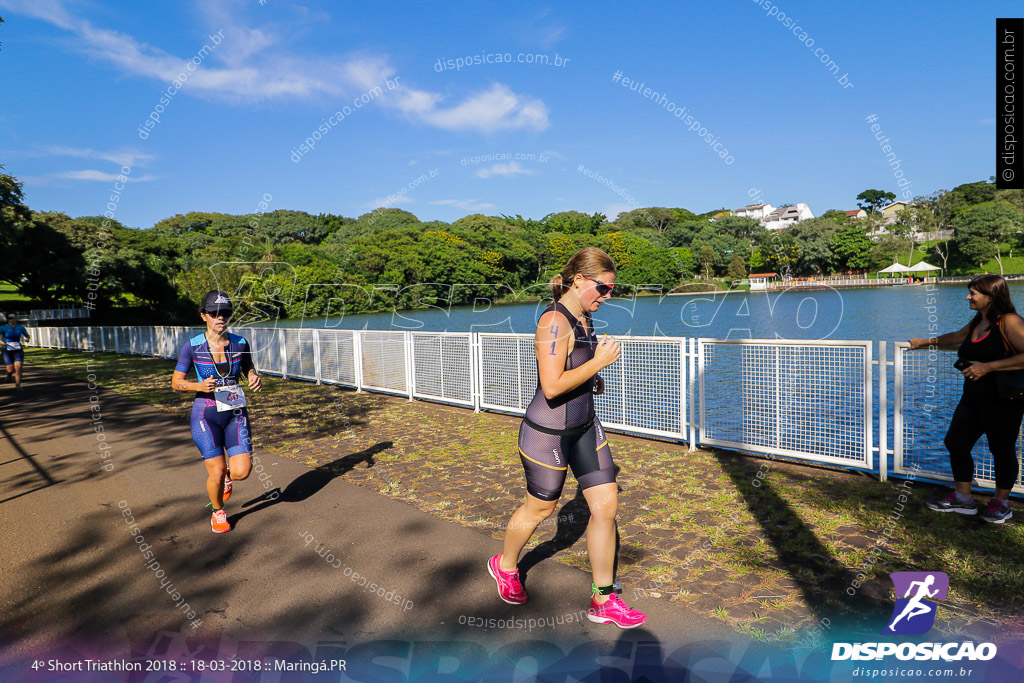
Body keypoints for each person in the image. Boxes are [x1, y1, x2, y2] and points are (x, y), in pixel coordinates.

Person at [487, 247, 647, 628]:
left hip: (585, 428)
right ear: (579, 280)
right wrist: (598, 363)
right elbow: (553, 386)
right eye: (604, 289)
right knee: (540, 510)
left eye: (612, 290)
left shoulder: (584, 318)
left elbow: (573, 367)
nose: (608, 297)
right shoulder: (554, 322)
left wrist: (593, 377)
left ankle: (604, 599)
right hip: (548, 434)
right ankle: (505, 565)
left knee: (606, 507)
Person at [908, 274, 1024, 523]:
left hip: (1004, 400)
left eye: (973, 293)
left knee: (1001, 450)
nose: (968, 296)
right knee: (956, 443)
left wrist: (988, 367)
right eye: (969, 291)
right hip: (972, 399)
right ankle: (963, 499)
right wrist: (925, 342)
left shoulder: (1010, 321)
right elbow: (955, 337)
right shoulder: (979, 320)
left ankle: (1001, 503)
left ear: (991, 297)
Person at [172, 291, 262, 533]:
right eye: (214, 313)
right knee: (217, 471)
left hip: (235, 412)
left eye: (225, 313)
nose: (220, 318)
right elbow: (176, 382)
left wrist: (253, 375)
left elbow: (248, 366)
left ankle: (229, 477)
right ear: (204, 316)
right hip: (206, 414)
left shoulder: (240, 343)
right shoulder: (192, 347)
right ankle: (218, 511)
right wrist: (197, 386)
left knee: (242, 471)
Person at [2, 314, 30, 391]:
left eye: (14, 318)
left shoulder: (20, 327)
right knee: (10, 369)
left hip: (17, 349)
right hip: (6, 349)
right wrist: (1, 342)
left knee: (18, 367)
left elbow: (27, 336)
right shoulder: (3, 328)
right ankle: (9, 375)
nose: (13, 319)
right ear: (8, 319)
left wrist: (27, 339)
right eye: (11, 318)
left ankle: (18, 386)